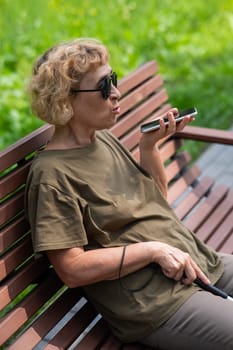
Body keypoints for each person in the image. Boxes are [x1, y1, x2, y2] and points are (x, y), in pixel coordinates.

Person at [25, 38, 233, 350]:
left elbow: (155, 205)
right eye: (104, 86)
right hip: (156, 302)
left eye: (114, 79)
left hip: (198, 262)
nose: (116, 93)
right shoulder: (51, 175)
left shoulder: (103, 140)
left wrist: (149, 148)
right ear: (65, 99)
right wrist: (152, 251)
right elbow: (71, 269)